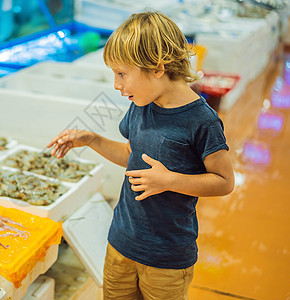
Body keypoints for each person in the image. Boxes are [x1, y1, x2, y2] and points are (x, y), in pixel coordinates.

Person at [47, 11, 234, 300]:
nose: (116, 85)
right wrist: (92, 139)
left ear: (157, 68)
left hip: (166, 259)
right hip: (121, 243)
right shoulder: (142, 104)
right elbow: (131, 154)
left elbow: (224, 181)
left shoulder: (202, 121)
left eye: (122, 74)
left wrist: (169, 180)